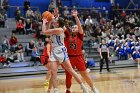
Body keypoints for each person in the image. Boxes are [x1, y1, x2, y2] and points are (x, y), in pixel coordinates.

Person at [42, 11, 90, 93]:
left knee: (71, 70)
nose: (54, 22)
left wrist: (44, 22)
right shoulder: (54, 29)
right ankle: (56, 91)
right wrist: (49, 21)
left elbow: (44, 32)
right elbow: (47, 32)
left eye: (55, 22)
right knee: (53, 73)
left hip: (61, 51)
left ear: (58, 24)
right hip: (54, 51)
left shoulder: (60, 29)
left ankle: (83, 86)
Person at [64, 10, 99, 93]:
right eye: (73, 27)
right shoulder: (68, 35)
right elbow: (63, 27)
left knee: (85, 75)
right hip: (69, 58)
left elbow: (80, 27)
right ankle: (68, 90)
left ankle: (93, 88)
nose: (73, 28)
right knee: (68, 76)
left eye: (75, 27)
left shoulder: (80, 36)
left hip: (79, 57)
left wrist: (76, 17)